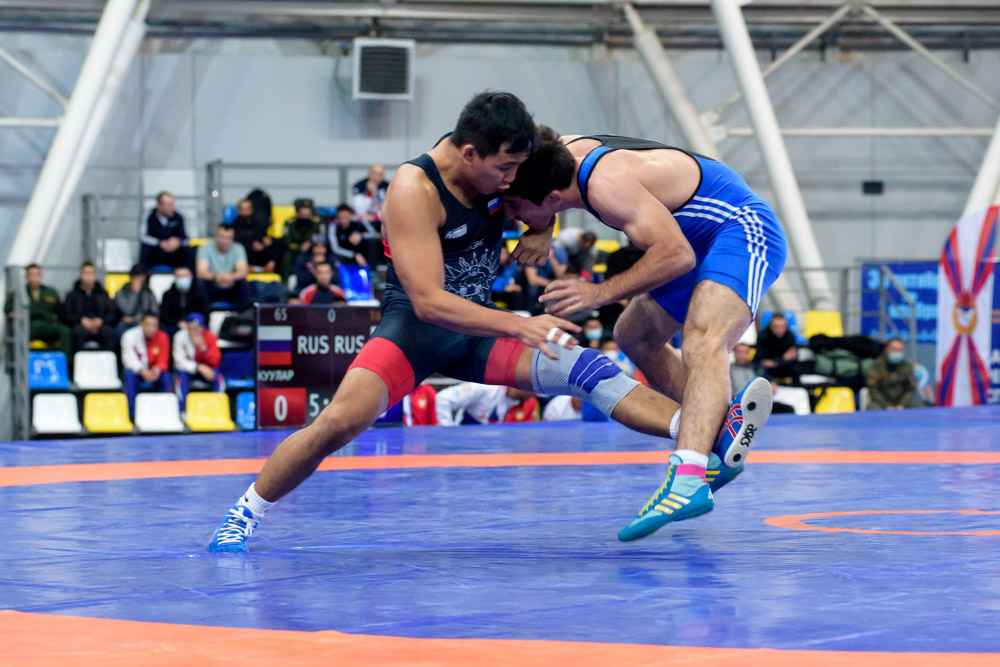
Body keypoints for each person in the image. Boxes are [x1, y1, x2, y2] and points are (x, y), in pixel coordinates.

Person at [208, 91, 747, 553]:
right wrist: (515, 324)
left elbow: (552, 178)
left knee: (589, 370)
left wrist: (542, 224)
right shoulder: (414, 191)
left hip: (479, 334)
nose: (511, 182)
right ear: (470, 154)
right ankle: (244, 512)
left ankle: (703, 439)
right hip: (417, 333)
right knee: (338, 424)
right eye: (506, 171)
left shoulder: (498, 167)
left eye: (516, 170)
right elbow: (428, 302)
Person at [502, 126, 786, 540]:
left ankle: (687, 479)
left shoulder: (607, 185)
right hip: (692, 239)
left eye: (515, 206)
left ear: (552, 198)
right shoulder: (561, 155)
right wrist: (542, 224)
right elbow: (548, 146)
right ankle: (719, 439)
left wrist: (599, 292)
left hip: (739, 228)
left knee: (703, 341)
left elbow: (676, 256)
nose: (512, 216)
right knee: (633, 335)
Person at [4, 264, 71, 353]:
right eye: (31, 275)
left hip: (47, 325)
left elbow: (60, 310)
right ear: (26, 276)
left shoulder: (50, 292)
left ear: (41, 276)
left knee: (64, 331)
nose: (34, 278)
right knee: (19, 334)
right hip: (29, 327)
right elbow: (7, 309)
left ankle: (66, 360)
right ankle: (22, 360)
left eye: (37, 275)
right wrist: (17, 314)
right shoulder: (20, 292)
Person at [121, 312, 171, 418]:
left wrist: (157, 369)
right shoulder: (129, 336)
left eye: (154, 325)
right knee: (130, 375)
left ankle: (166, 412)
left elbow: (163, 358)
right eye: (148, 325)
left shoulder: (162, 337)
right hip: (138, 371)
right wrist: (142, 371)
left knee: (166, 376)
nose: (151, 328)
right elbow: (129, 359)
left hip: (154, 371)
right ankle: (131, 414)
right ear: (141, 324)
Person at [173, 312, 224, 411]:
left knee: (218, 377)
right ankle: (183, 411)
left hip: (207, 371)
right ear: (187, 327)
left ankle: (217, 409)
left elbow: (216, 362)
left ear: (202, 328)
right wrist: (198, 367)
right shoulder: (179, 336)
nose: (194, 331)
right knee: (180, 377)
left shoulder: (210, 337)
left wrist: (203, 348)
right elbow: (179, 362)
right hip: (188, 371)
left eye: (197, 328)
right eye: (191, 328)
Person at [63, 262, 117, 354]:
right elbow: (66, 315)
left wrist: (101, 320)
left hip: (100, 325)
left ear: (95, 275)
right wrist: (81, 320)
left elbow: (111, 312)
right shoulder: (72, 295)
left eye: (91, 273)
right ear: (80, 275)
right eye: (86, 273)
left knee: (110, 333)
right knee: (76, 332)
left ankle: (108, 361)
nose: (88, 277)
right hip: (80, 325)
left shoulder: (103, 294)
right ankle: (75, 361)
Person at [196, 223, 251, 310]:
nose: (225, 241)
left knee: (244, 283)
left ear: (232, 238)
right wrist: (217, 277)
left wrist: (230, 277)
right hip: (213, 286)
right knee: (200, 283)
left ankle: (243, 315)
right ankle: (204, 316)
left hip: (231, 286)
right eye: (222, 237)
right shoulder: (205, 248)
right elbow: (201, 272)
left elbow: (243, 271)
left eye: (228, 238)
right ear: (216, 236)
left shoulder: (238, 248)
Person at [435, 382, 537, 425]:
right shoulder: (484, 388)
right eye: (535, 388)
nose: (536, 394)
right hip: (465, 450)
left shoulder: (530, 404)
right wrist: (448, 433)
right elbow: (443, 399)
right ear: (522, 382)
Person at [139, 191, 191, 269]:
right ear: (159, 205)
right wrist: (160, 243)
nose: (173, 208)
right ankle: (143, 274)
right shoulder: (148, 215)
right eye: (169, 205)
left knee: (190, 250)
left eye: (173, 204)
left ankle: (188, 274)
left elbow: (186, 239)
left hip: (174, 252)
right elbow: (143, 237)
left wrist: (178, 242)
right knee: (145, 249)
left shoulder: (179, 217)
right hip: (156, 251)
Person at [866, 338, 916, 410]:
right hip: (882, 403)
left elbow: (910, 389)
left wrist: (902, 405)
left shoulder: (907, 366)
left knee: (920, 407)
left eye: (900, 350)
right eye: (894, 349)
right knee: (873, 408)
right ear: (887, 350)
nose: (897, 352)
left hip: (902, 403)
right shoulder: (877, 366)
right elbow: (874, 390)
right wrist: (886, 405)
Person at [232, 199, 280, 273]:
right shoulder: (234, 225)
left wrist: (265, 242)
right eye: (243, 209)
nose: (245, 212)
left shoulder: (258, 223)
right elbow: (236, 240)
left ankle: (271, 266)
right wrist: (251, 243)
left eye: (248, 209)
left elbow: (263, 235)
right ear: (238, 211)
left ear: (252, 210)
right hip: (245, 256)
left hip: (260, 253)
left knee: (279, 242)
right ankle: (255, 269)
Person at [159, 265, 209, 337]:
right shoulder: (167, 295)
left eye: (185, 276)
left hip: (195, 325)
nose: (182, 279)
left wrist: (191, 323)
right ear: (175, 278)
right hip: (175, 326)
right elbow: (165, 316)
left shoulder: (199, 294)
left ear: (191, 277)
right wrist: (178, 323)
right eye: (180, 276)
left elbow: (205, 314)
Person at [114, 264, 158, 338]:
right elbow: (128, 310)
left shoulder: (148, 292)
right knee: (122, 332)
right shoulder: (121, 293)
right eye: (137, 277)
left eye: (142, 277)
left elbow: (154, 311)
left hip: (145, 323)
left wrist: (138, 320)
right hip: (126, 325)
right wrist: (135, 292)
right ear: (131, 277)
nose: (140, 280)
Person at [756, 312, 800, 381]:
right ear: (770, 326)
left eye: (783, 327)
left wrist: (775, 362)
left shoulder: (790, 336)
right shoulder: (763, 336)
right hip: (768, 372)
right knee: (758, 368)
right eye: (776, 327)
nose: (780, 330)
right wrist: (783, 358)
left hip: (785, 369)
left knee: (796, 367)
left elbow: (793, 358)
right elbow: (762, 360)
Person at [352, 164, 389, 228]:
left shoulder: (387, 187)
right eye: (375, 174)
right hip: (364, 222)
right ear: (369, 174)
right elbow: (360, 210)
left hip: (382, 220)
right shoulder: (360, 186)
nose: (377, 177)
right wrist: (369, 192)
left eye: (380, 175)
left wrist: (375, 216)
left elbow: (389, 208)